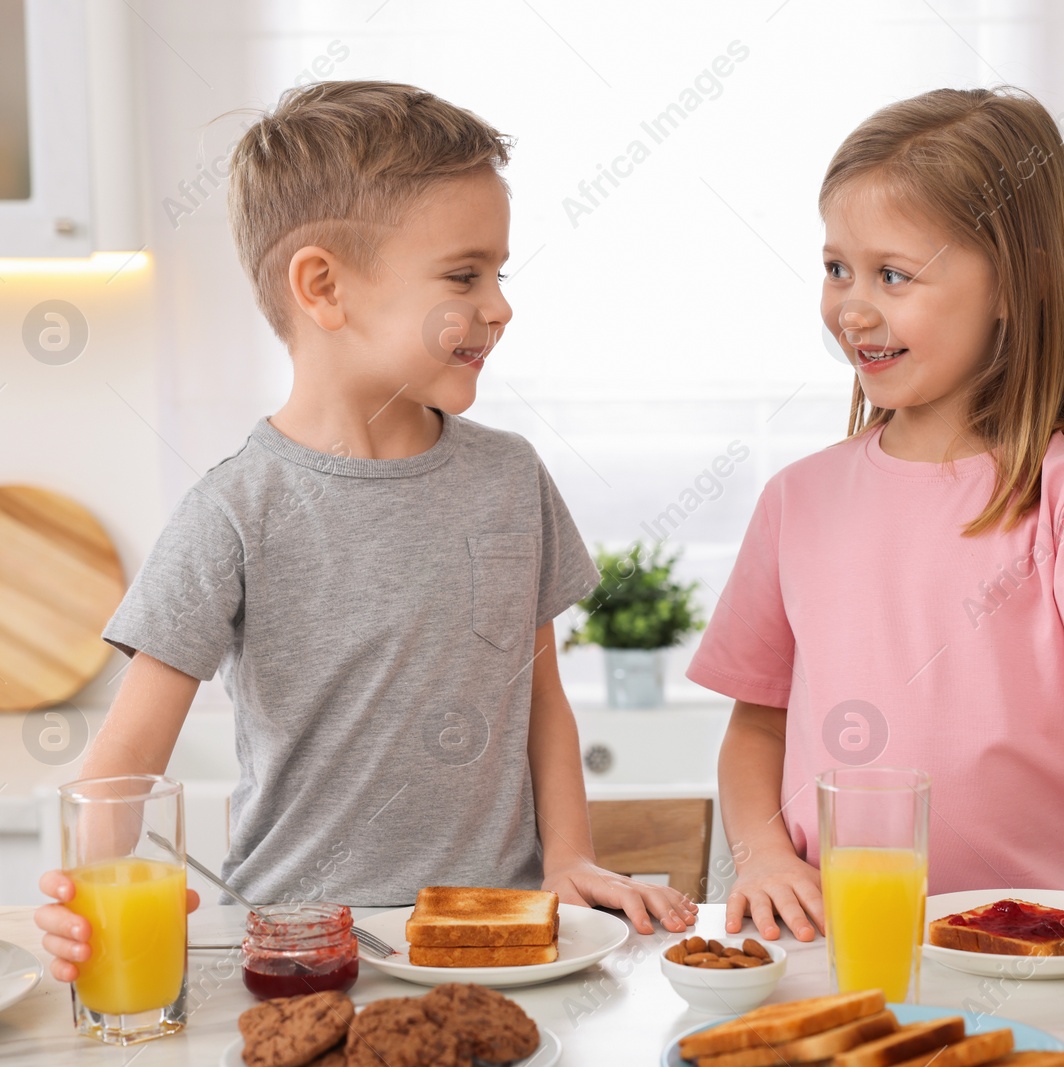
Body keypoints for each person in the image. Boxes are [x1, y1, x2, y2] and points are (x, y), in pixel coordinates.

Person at [36, 81, 696, 982]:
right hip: (298, 948)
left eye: (501, 272)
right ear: (324, 287)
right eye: (465, 275)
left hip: (497, 943)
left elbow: (541, 698)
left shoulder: (510, 478)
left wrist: (569, 857)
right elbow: (122, 766)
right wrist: (83, 895)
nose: (499, 305)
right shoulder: (235, 511)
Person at [687, 87, 1064, 943]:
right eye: (837, 267)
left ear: (1010, 286)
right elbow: (757, 726)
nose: (854, 307)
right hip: (839, 936)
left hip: (1049, 939)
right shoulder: (796, 500)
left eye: (893, 275)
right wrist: (764, 855)